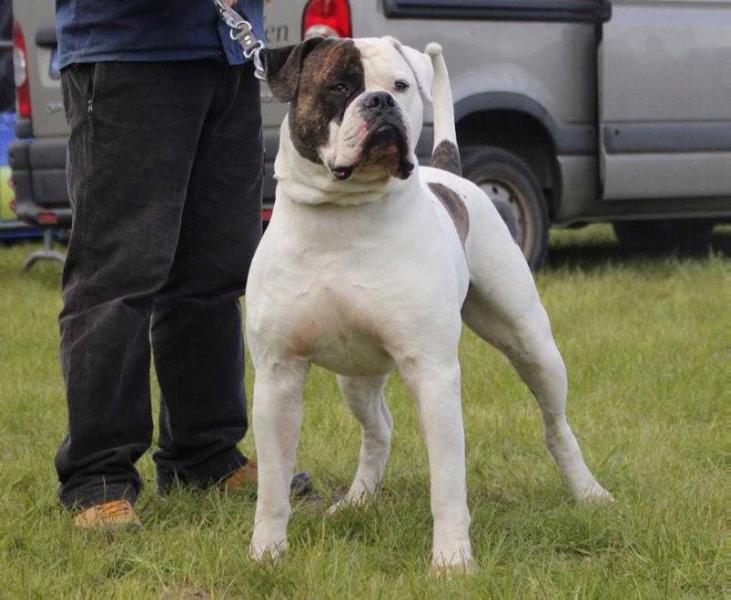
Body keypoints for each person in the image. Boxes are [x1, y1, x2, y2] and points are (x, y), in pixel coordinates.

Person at [54, 0, 305, 528]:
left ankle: (205, 455)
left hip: (225, 56)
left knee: (215, 270)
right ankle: (97, 475)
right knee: (118, 274)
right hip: (129, 54)